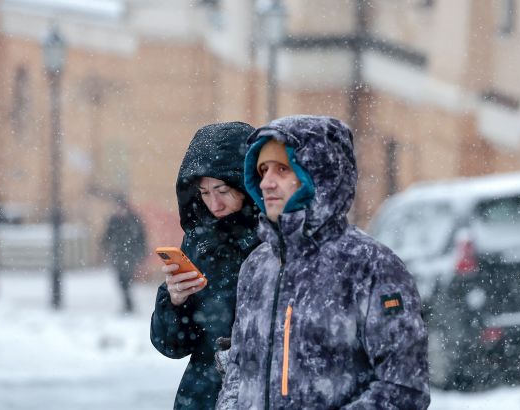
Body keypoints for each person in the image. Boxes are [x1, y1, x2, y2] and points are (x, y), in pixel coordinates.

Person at [216, 115, 430, 409]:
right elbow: (239, 369)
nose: (266, 182)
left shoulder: (370, 266)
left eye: (282, 169)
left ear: (319, 176)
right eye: (262, 170)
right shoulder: (257, 266)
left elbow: (404, 387)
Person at [150, 122, 260, 409]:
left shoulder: (274, 243)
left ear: (247, 185)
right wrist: (175, 301)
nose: (215, 203)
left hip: (260, 394)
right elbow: (172, 346)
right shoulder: (199, 242)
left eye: (223, 190)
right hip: (202, 396)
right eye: (205, 192)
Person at [101, 195, 147, 313]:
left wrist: (141, 253)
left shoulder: (133, 219)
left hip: (130, 255)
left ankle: (128, 304)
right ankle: (128, 303)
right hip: (117, 254)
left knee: (127, 279)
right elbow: (107, 235)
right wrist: (104, 246)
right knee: (120, 280)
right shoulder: (113, 220)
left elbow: (141, 238)